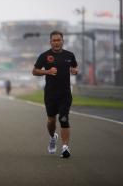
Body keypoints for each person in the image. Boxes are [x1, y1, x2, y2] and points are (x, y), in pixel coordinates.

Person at [32, 30, 78, 158]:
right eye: (54, 40)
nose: (56, 43)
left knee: (64, 118)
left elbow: (74, 66)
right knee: (51, 120)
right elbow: (34, 71)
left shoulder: (69, 55)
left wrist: (74, 70)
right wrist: (47, 72)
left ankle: (65, 148)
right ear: (50, 42)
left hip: (65, 93)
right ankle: (53, 137)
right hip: (51, 94)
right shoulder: (44, 56)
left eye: (59, 40)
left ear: (63, 41)